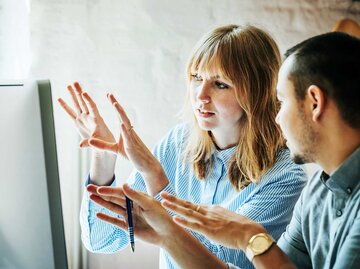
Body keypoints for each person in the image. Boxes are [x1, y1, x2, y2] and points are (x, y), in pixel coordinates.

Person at [58, 24, 306, 269]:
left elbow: (218, 261)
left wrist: (155, 177)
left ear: (257, 91)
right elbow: (102, 240)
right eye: (196, 78)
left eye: (220, 84)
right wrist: (103, 156)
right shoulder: (177, 143)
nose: (200, 95)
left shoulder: (285, 175)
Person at [156, 31, 360, 268]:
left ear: (315, 102)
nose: (277, 118)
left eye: (282, 102)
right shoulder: (317, 192)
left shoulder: (288, 176)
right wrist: (166, 236)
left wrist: (250, 237)